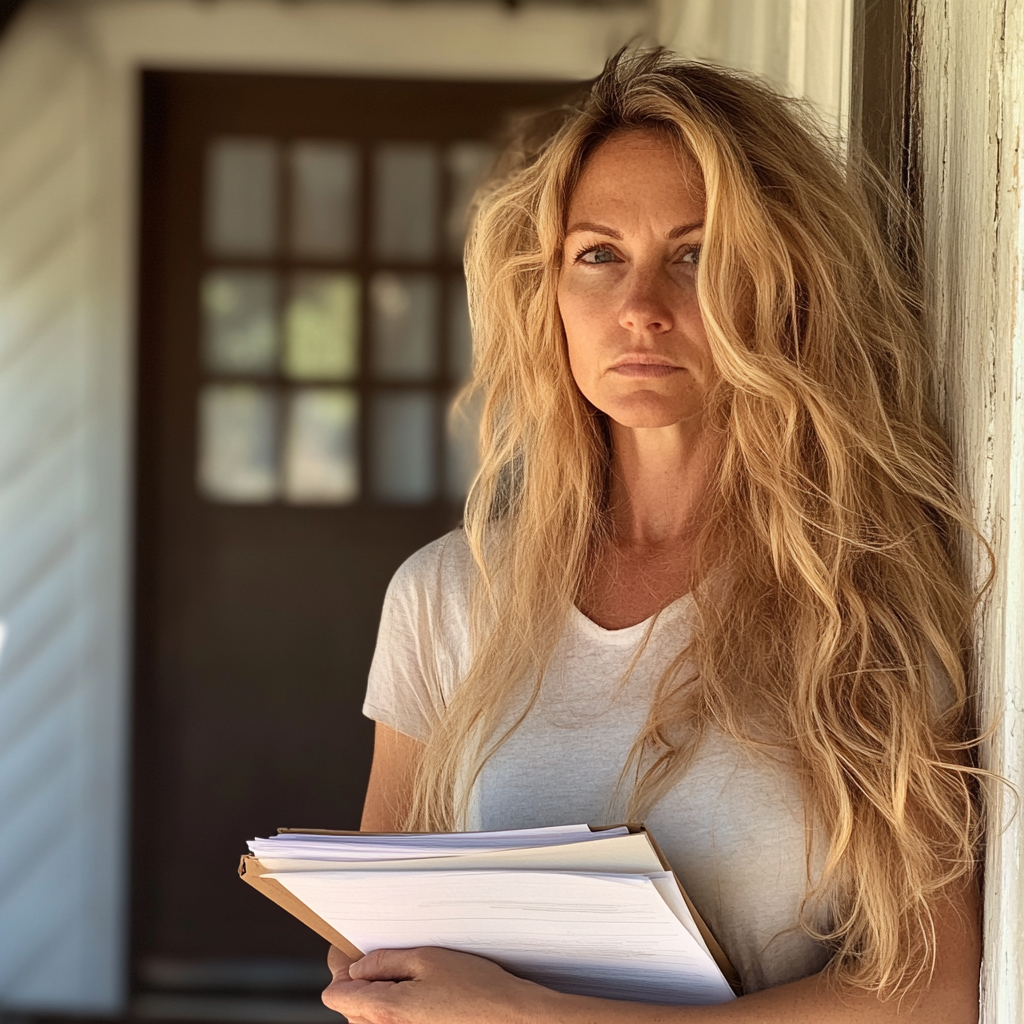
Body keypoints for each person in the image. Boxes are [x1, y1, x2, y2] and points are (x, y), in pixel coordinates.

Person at [323, 49, 983, 1023]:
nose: (641, 308)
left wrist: (537, 1014)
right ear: (543, 290)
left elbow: (933, 984)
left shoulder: (858, 600)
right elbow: (372, 956)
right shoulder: (446, 596)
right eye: (597, 254)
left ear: (781, 283)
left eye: (694, 255)